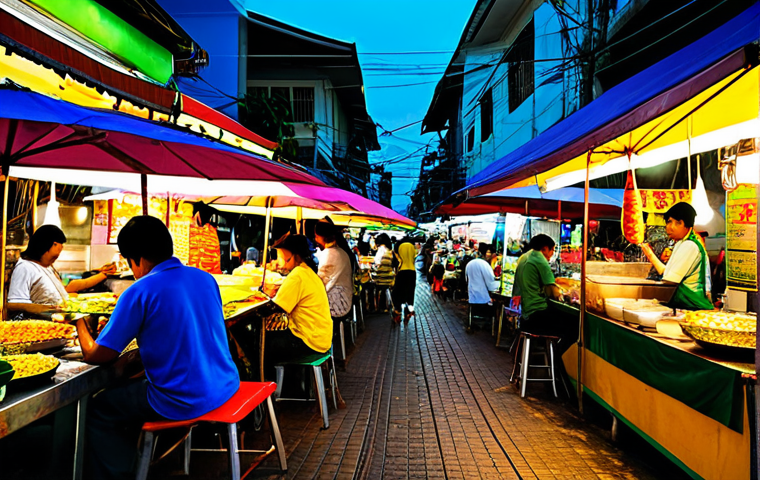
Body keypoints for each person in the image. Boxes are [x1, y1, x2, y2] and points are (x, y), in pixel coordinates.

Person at [77, 216, 239, 480]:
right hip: (225, 384)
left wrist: (77, 321)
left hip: (181, 399)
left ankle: (118, 473)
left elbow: (98, 354)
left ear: (136, 259)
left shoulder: (139, 290)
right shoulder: (205, 279)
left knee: (100, 407)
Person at [261, 234, 346, 407]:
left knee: (260, 347)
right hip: (321, 339)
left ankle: (264, 402)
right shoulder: (308, 273)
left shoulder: (298, 275)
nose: (280, 262)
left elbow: (276, 308)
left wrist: (262, 296)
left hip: (308, 341)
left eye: (282, 257)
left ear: (293, 256)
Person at [8, 225, 116, 317]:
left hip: (61, 323)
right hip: (43, 327)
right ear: (48, 245)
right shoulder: (24, 268)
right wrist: (44, 309)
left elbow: (67, 285)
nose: (54, 260)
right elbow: (13, 304)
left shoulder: (46, 267)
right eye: (54, 256)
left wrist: (101, 273)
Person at [642, 202, 713, 310]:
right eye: (669, 222)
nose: (670, 227)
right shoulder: (681, 243)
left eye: (678, 223)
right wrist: (649, 254)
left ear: (687, 225)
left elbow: (670, 281)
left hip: (692, 307)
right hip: (684, 306)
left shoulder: (689, 245)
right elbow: (666, 273)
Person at [513, 234, 576, 355]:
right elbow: (552, 292)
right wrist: (564, 295)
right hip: (537, 315)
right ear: (545, 248)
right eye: (552, 250)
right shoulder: (540, 260)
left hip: (526, 315)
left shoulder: (524, 258)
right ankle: (556, 358)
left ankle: (551, 355)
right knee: (575, 325)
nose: (552, 254)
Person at [314, 220, 353, 318]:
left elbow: (321, 282)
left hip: (338, 304)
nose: (315, 239)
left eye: (316, 236)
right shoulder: (341, 252)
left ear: (321, 237)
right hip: (345, 297)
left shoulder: (329, 254)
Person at [464, 243, 499, 332]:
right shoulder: (484, 265)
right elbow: (491, 284)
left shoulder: (470, 263)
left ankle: (473, 324)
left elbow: (467, 279)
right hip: (483, 300)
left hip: (472, 298)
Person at [391, 240, 417, 323]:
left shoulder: (400, 264)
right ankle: (408, 311)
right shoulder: (413, 267)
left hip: (402, 271)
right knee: (410, 291)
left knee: (398, 292)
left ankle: (398, 312)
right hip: (412, 271)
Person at [372, 233, 395, 312]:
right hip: (389, 278)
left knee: (369, 285)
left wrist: (372, 269)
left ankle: (375, 307)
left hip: (381, 278)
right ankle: (384, 306)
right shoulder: (389, 251)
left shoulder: (381, 251)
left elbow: (377, 265)